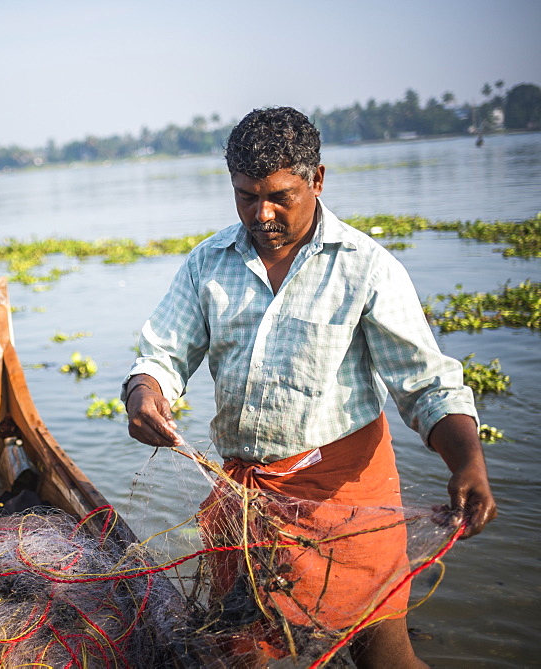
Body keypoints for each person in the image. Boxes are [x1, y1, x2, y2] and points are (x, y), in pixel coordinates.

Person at [122, 107, 496, 667]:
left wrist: (468, 464)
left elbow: (426, 386)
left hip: (347, 501)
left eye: (280, 196)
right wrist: (144, 392)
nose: (262, 213)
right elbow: (163, 355)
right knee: (237, 652)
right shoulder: (209, 262)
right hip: (248, 502)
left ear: (317, 180)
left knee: (382, 656)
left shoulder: (365, 268)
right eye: (246, 196)